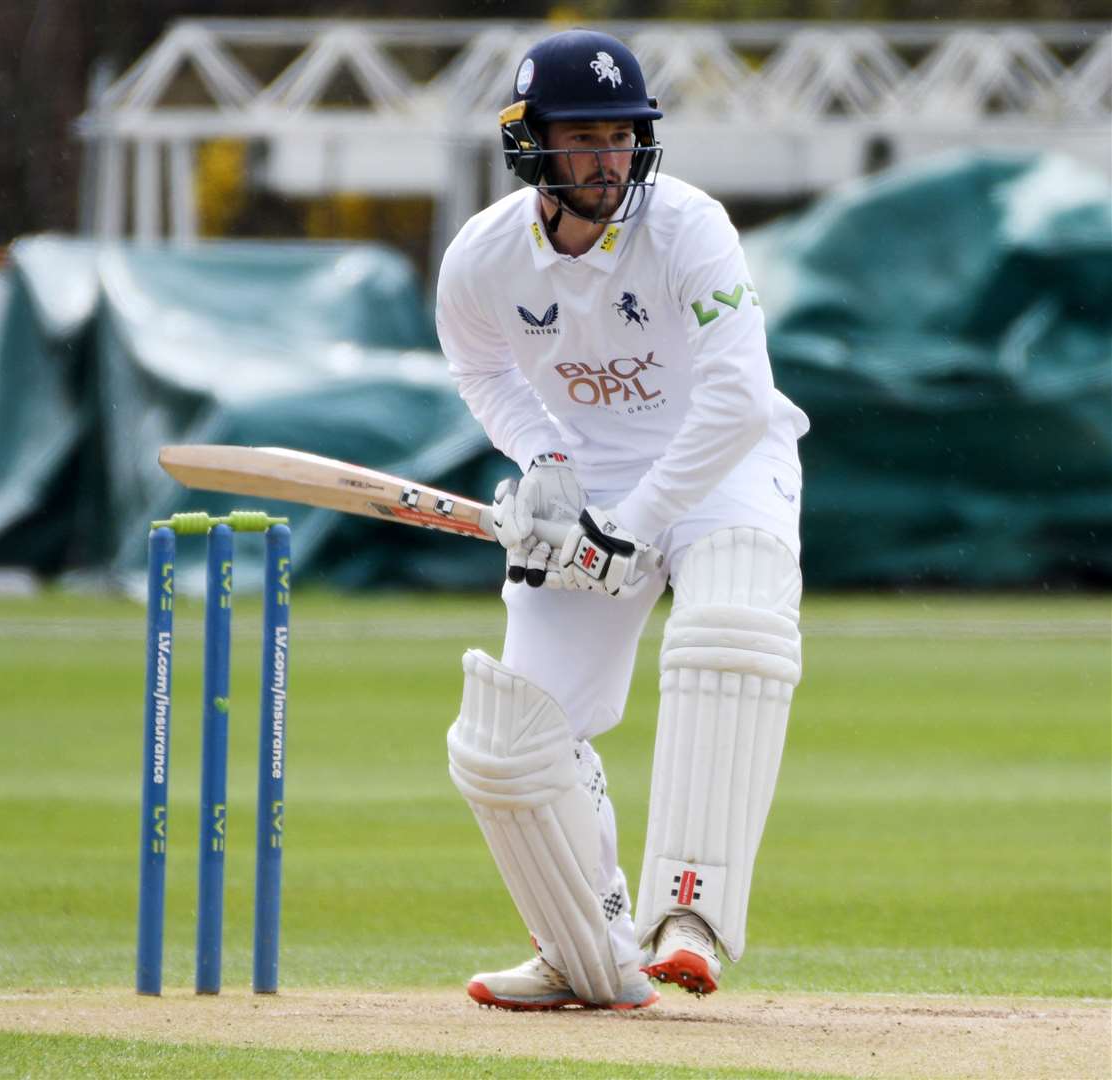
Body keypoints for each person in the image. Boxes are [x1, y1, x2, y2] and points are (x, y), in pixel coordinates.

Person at [435, 28, 810, 1011]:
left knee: (732, 628)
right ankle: (583, 953)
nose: (606, 160)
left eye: (620, 136)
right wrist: (548, 465)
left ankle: (687, 913)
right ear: (532, 149)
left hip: (726, 458)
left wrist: (634, 526)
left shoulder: (689, 225)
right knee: (511, 737)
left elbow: (735, 400)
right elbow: (479, 369)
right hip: (592, 471)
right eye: (581, 139)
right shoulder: (480, 260)